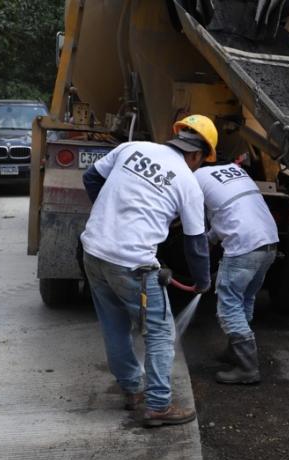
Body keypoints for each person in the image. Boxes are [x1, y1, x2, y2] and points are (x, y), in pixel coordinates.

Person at [80, 114, 218, 427]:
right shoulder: (187, 182)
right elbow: (195, 243)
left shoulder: (131, 148)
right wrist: (202, 282)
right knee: (160, 333)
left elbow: (90, 177)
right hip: (133, 264)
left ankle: (132, 390)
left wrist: (108, 218)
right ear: (196, 154)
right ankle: (157, 405)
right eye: (201, 161)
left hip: (94, 252)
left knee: (114, 325)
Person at [194, 158, 279, 384]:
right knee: (245, 299)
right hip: (269, 243)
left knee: (229, 305)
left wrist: (199, 243)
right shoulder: (234, 172)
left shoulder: (193, 178)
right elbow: (229, 213)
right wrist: (210, 239)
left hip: (244, 247)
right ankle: (235, 352)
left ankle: (247, 368)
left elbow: (193, 219)